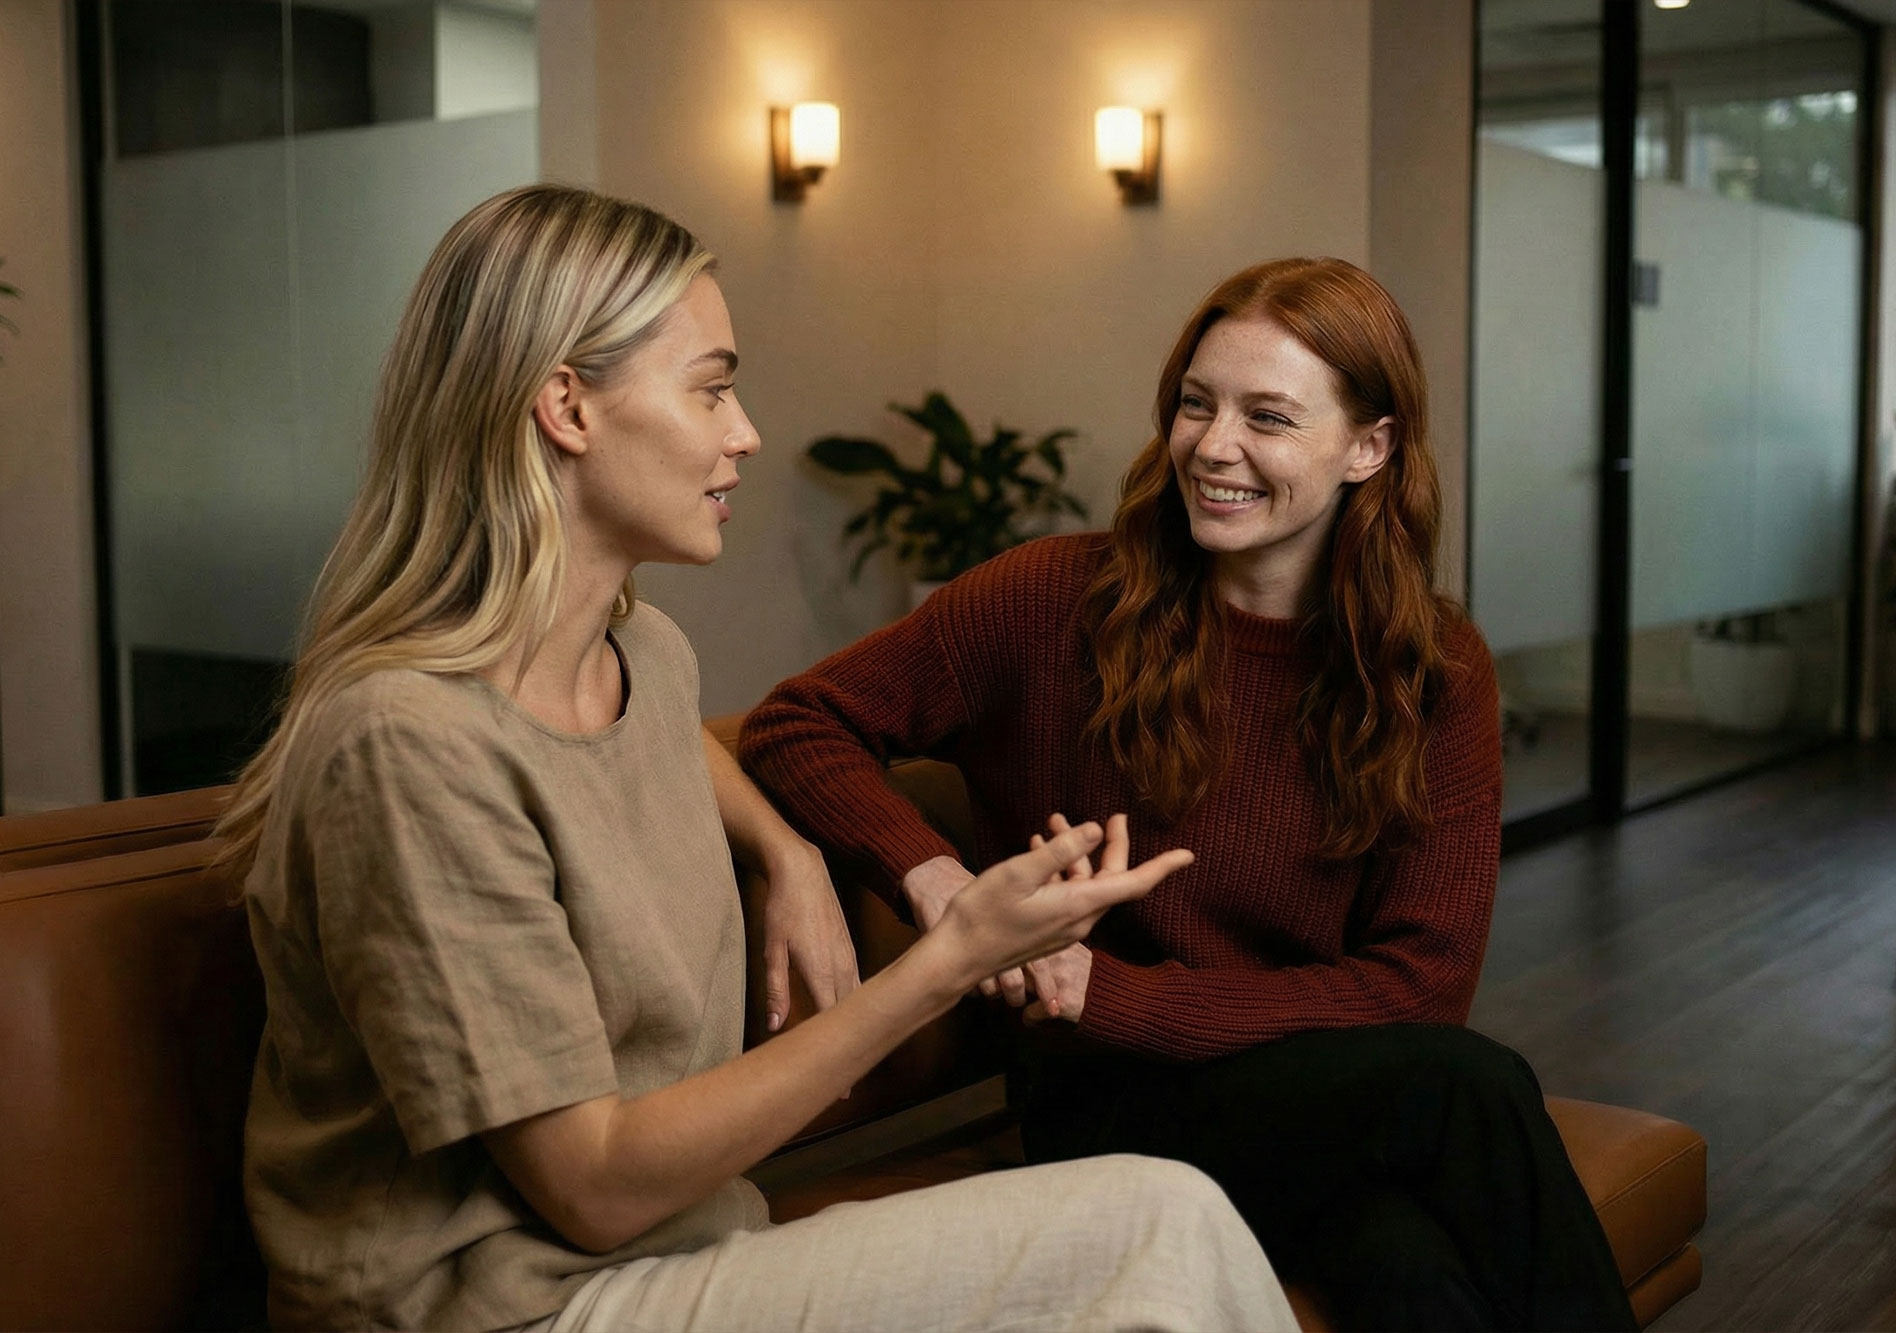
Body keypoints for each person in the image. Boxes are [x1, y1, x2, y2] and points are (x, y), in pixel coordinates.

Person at [213, 185, 1299, 1333]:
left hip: (690, 1258)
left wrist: (783, 845)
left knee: (1168, 1227)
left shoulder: (640, 655)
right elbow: (591, 1187)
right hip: (507, 1313)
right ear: (567, 407)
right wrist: (948, 959)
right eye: (711, 387)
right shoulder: (401, 742)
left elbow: (633, 748)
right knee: (1160, 1225)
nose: (745, 432)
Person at [739, 257, 1639, 1332]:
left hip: (1313, 1093)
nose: (1212, 446)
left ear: (1368, 447)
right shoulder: (1049, 599)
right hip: (1107, 1104)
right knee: (1471, 1087)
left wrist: (1110, 989)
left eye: (1268, 416)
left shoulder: (1431, 667)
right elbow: (800, 722)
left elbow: (1421, 985)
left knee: (1410, 1268)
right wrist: (938, 883)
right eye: (1196, 403)